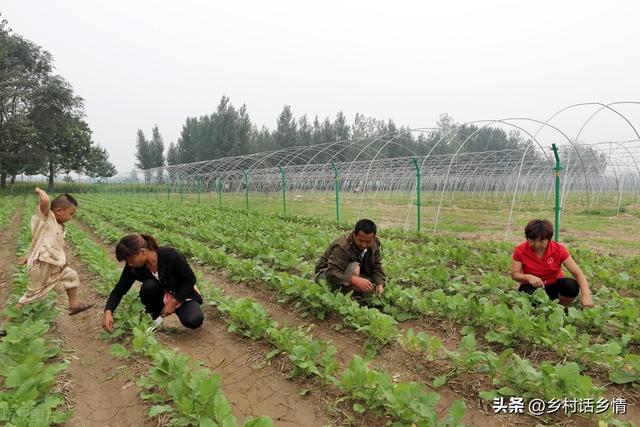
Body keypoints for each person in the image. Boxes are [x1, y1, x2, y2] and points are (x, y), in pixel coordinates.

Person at [1, 188, 93, 337]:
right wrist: (39, 190)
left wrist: (30, 255)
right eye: (71, 213)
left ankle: (74, 304)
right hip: (40, 266)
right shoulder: (46, 218)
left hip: (52, 265)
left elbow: (45, 243)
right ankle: (4, 323)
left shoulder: (60, 227)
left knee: (72, 275)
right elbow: (44, 202)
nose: (71, 217)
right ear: (58, 210)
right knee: (31, 296)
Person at [102, 233, 204, 333]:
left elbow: (190, 280)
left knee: (194, 320)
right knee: (149, 286)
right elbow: (119, 290)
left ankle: (179, 308)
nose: (129, 263)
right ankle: (153, 317)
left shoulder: (170, 255)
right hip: (158, 294)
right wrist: (108, 311)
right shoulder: (133, 267)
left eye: (130, 260)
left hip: (181, 292)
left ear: (142, 252)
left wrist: (174, 302)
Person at [511, 219, 593, 309]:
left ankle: (561, 307)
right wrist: (528, 277)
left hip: (554, 285)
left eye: (542, 241)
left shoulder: (558, 249)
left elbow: (577, 272)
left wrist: (586, 295)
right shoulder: (520, 250)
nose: (537, 245)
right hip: (533, 287)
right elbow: (515, 274)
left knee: (571, 286)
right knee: (530, 297)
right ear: (527, 238)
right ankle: (540, 309)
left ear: (549, 239)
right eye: (533, 240)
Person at [315, 219, 386, 296]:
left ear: (373, 238)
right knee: (355, 267)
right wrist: (354, 279)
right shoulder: (342, 246)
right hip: (325, 275)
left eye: (368, 242)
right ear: (354, 235)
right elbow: (332, 272)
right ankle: (345, 293)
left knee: (372, 283)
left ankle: (349, 289)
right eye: (361, 240)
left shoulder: (375, 243)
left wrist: (380, 284)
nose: (364, 245)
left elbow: (377, 265)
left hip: (347, 274)